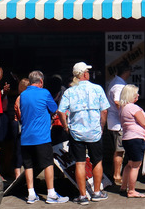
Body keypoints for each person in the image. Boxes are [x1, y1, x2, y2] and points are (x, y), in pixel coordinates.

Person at [58, 62, 111, 205]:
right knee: (97, 161)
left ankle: (82, 196)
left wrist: (66, 126)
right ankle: (97, 192)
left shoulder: (70, 91)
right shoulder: (97, 89)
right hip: (94, 131)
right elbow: (104, 110)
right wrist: (102, 125)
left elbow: (61, 111)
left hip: (76, 132)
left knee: (80, 164)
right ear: (84, 74)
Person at [18, 71, 69, 204]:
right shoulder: (44, 92)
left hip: (25, 137)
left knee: (28, 166)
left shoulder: (23, 95)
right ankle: (51, 193)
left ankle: (31, 194)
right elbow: (54, 108)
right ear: (41, 81)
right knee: (48, 164)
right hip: (41, 137)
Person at [118, 84, 145, 198]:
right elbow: (143, 123)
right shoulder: (133, 107)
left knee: (129, 163)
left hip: (127, 138)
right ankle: (131, 190)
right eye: (135, 93)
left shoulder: (123, 108)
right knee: (136, 165)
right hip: (136, 138)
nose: (138, 95)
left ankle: (124, 186)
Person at [106, 62, 131, 186]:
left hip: (114, 122)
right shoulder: (118, 85)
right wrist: (128, 111)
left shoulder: (115, 82)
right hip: (117, 123)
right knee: (119, 150)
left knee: (117, 150)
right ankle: (116, 175)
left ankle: (114, 172)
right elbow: (117, 101)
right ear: (127, 72)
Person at [12, 77, 30, 180]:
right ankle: (17, 175)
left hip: (22, 125)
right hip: (20, 125)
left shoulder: (21, 97)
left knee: (21, 149)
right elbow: (19, 113)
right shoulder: (21, 98)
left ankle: (19, 173)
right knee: (19, 149)